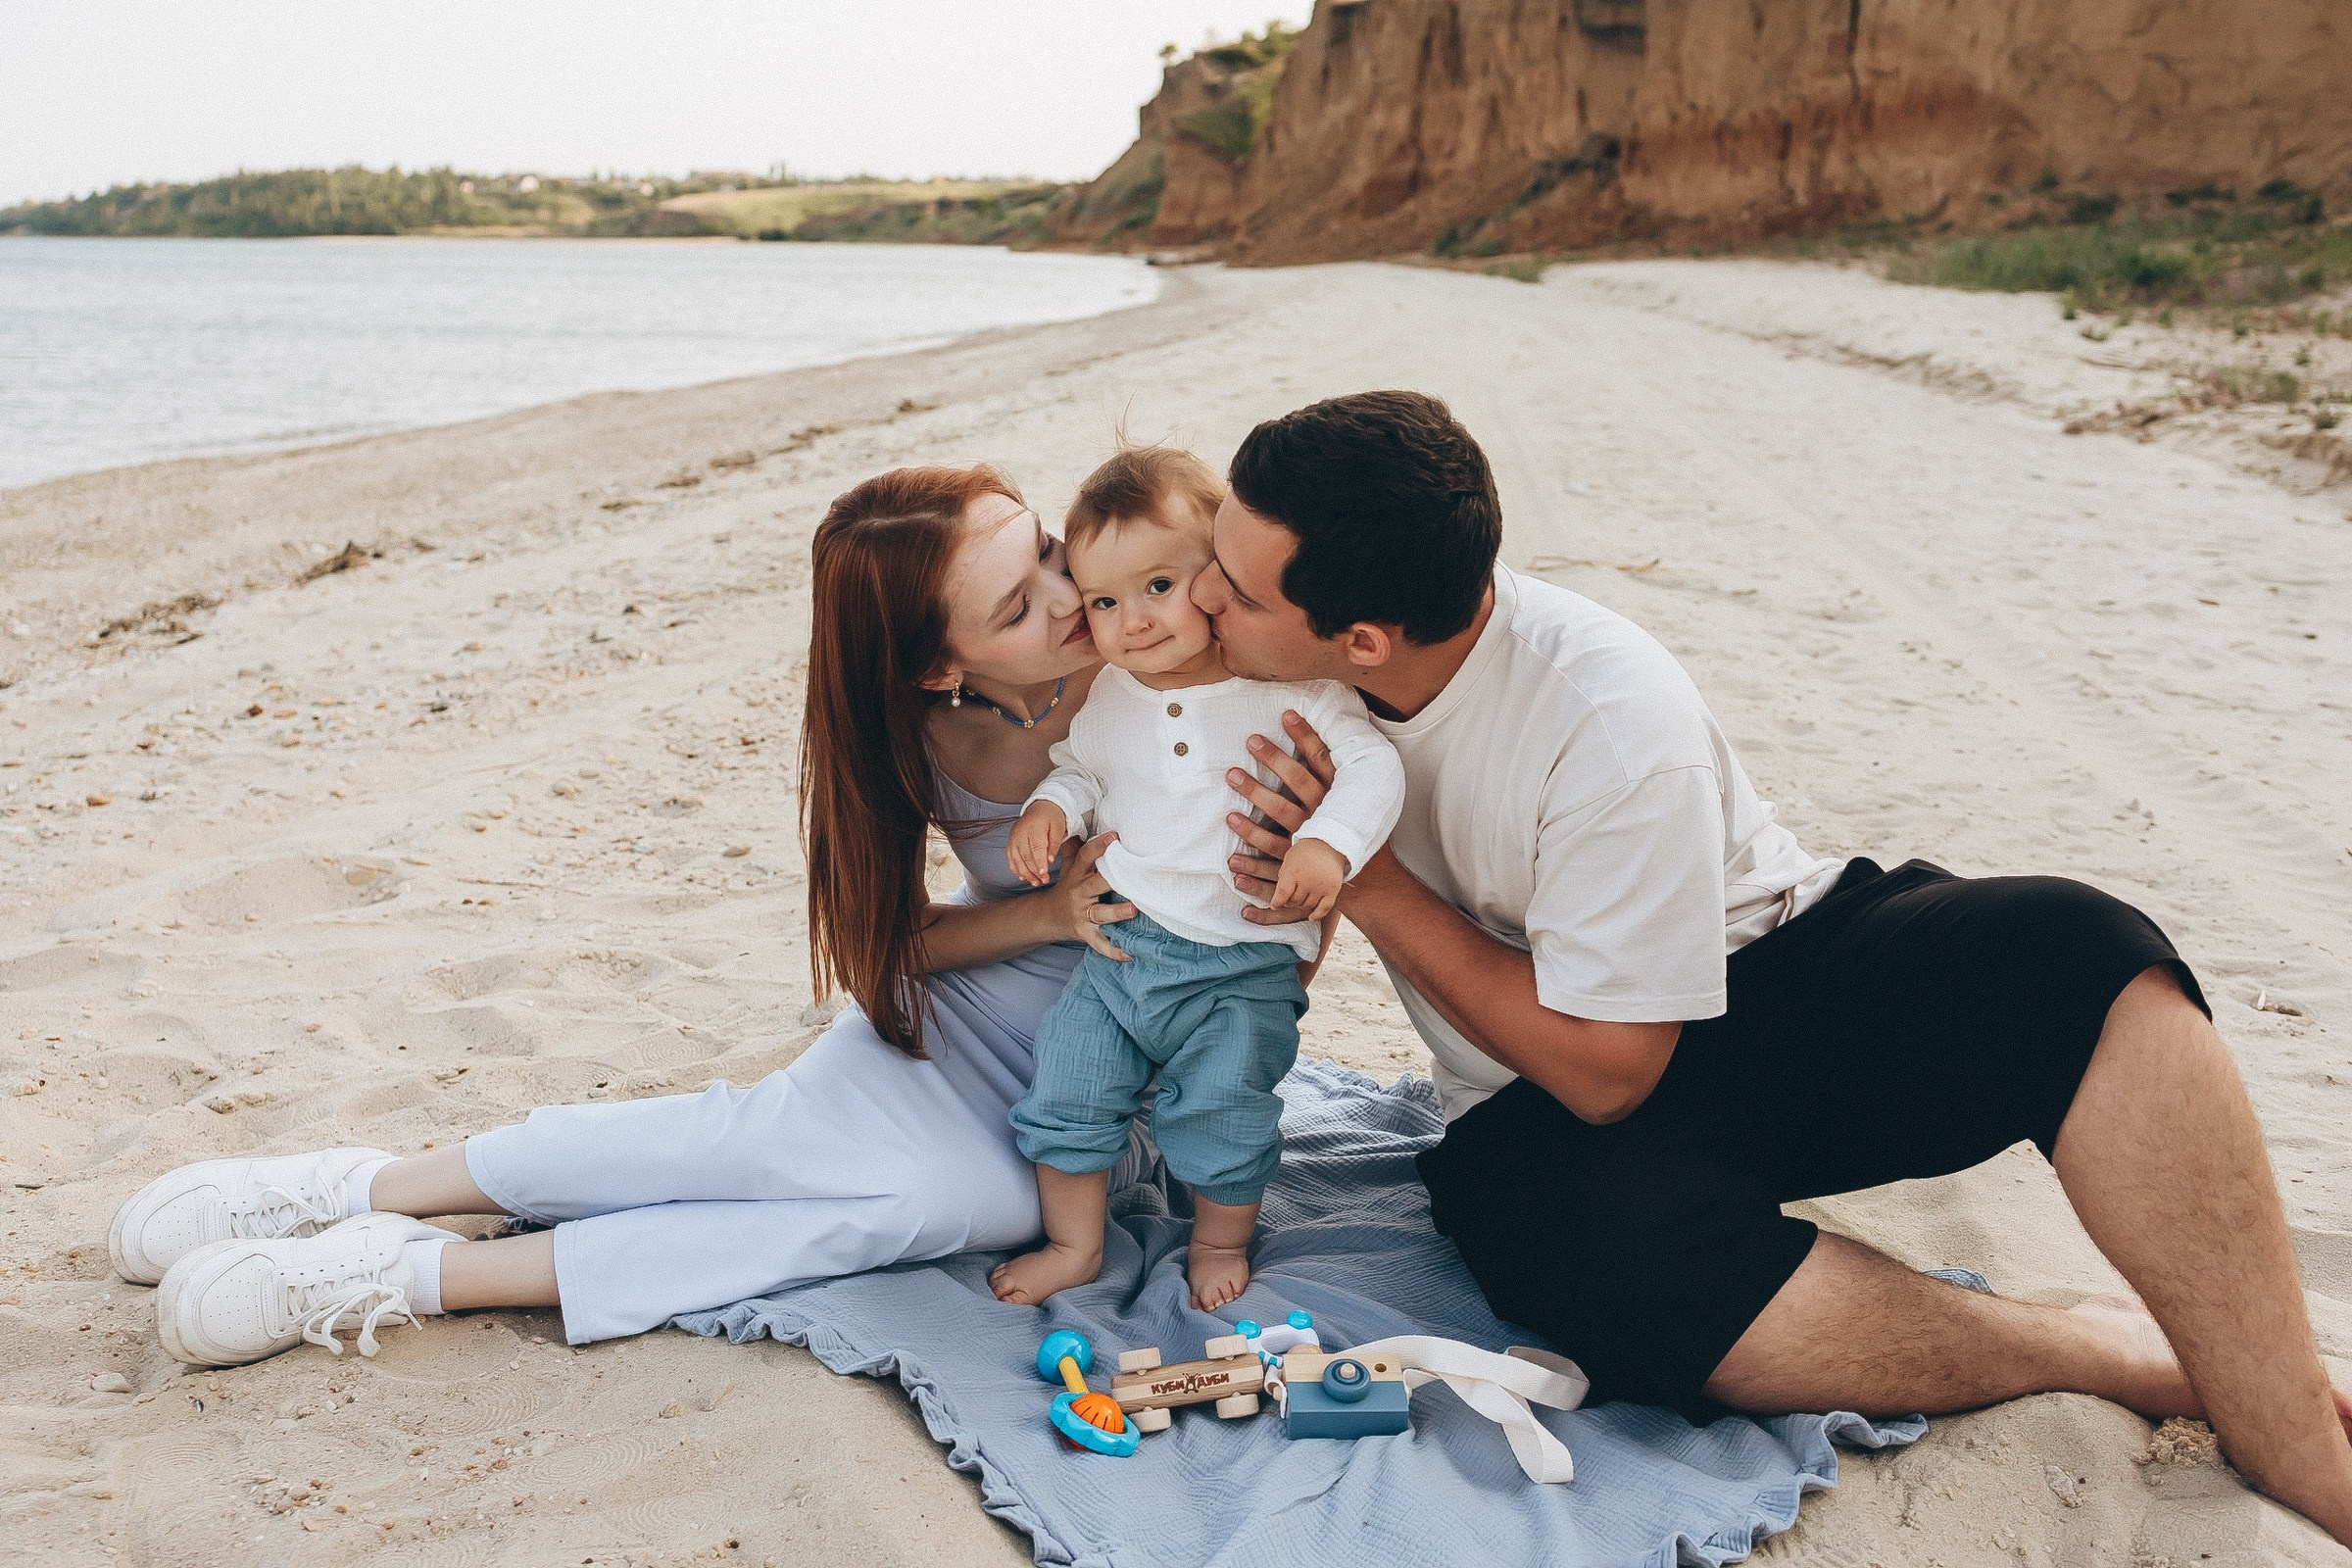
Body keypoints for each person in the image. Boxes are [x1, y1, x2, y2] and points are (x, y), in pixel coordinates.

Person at [1189, 389, 2352, 1545]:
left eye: (1234, 590)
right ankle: (2101, 1350)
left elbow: (1612, 1070)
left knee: (2076, 950)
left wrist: (1378, 882)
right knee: (1572, 1250)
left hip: (1771, 976)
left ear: (1365, 640)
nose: (1203, 599)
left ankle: (2287, 1422)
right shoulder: (1285, 680)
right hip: (1538, 1104)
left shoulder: (1603, 713)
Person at [107, 464, 1146, 1367]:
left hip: (1123, 1075)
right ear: (937, 663)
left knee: (911, 1207)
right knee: (760, 1145)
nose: (1069, 597)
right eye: (1016, 605)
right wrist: (1047, 917)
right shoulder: (916, 729)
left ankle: (413, 1273)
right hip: (971, 1018)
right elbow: (891, 941)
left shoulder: (1159, 646)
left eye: (1051, 552)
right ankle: (361, 1189)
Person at [989, 447, 1403, 1311]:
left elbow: (1371, 767)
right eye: (1104, 601)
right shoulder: (1111, 697)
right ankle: (1074, 1243)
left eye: (1158, 586)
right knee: (1067, 1089)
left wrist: (1328, 844)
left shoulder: (1287, 689)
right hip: (1120, 954)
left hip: (1241, 968)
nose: (1132, 621)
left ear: (1217, 577)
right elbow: (1082, 770)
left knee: (1222, 1111)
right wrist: (1050, 808)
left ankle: (1218, 1240)